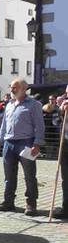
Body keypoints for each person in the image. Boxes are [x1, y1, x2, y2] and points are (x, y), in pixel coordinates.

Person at [0, 79, 45, 215]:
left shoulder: (34, 105)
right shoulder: (9, 104)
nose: (11, 90)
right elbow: (4, 125)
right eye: (11, 87)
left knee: (29, 175)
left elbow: (39, 126)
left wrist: (37, 144)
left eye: (14, 87)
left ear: (23, 88)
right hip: (9, 144)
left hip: (26, 143)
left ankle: (31, 204)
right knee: (9, 175)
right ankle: (8, 202)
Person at [51, 86, 68, 219]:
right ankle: (66, 207)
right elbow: (55, 122)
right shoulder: (63, 105)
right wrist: (61, 112)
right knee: (66, 178)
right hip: (66, 144)